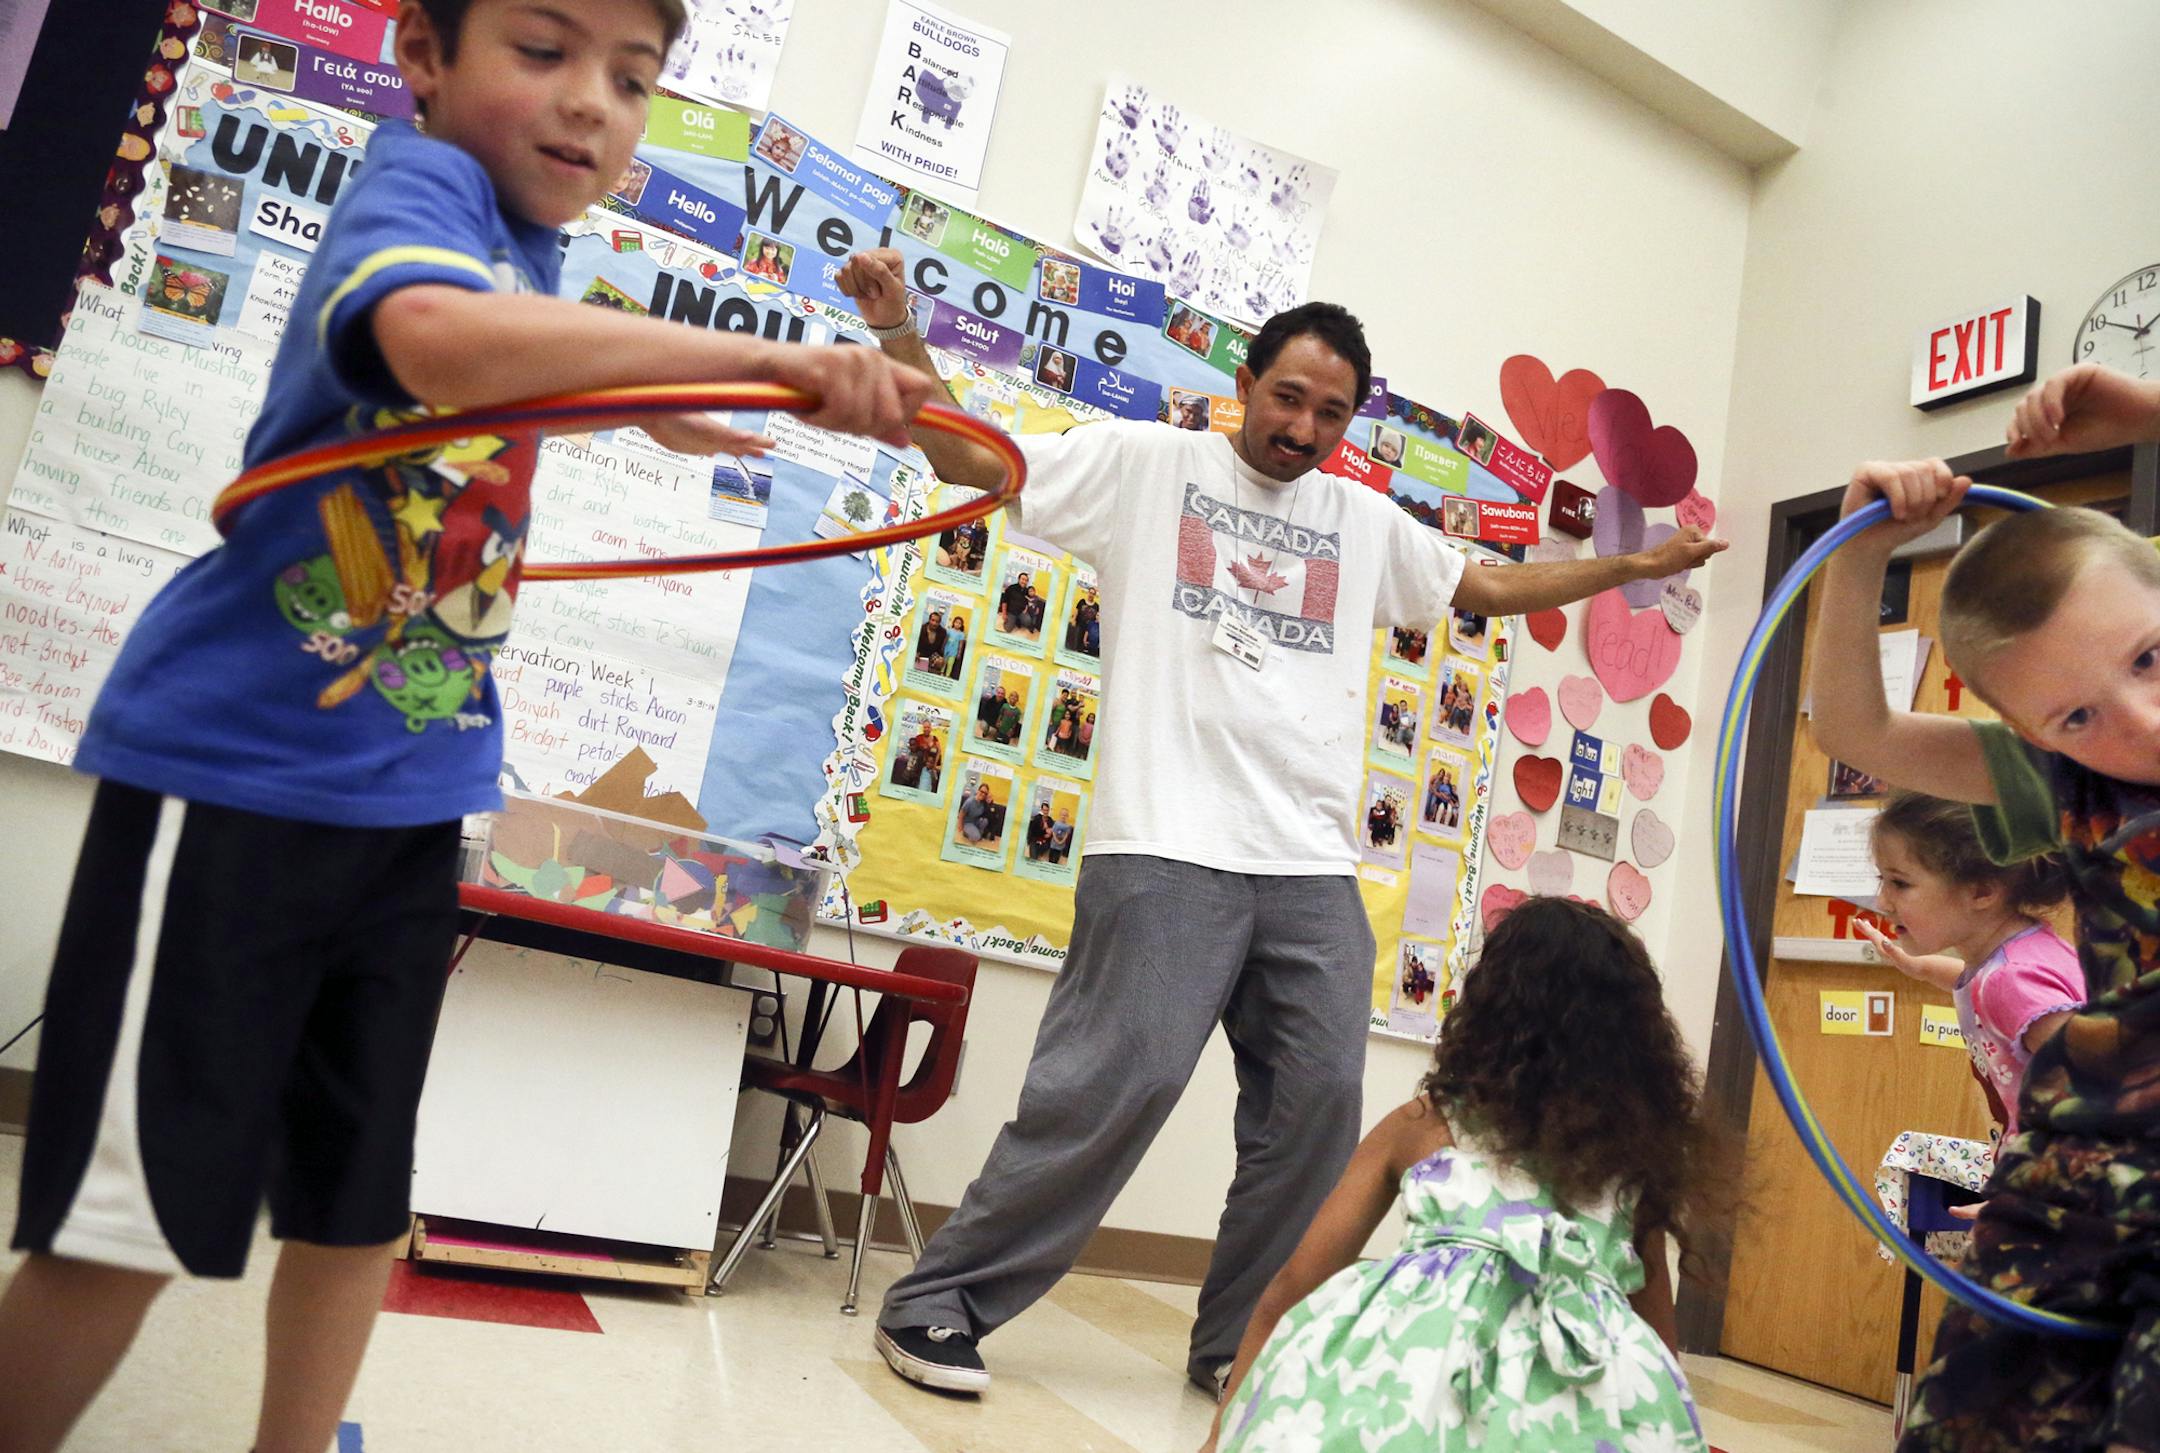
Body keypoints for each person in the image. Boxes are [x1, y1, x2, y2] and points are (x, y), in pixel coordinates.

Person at [0, 5, 932, 1449]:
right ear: (426, 60)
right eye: (545, 52)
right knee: (128, 1218)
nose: (592, 108)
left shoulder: (532, 253)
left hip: (406, 796)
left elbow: (495, 385)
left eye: (633, 80)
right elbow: (430, 345)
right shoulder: (419, 187)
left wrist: (648, 410)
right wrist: (763, 362)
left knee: (361, 1200)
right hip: (242, 777)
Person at [837, 245, 1725, 1398]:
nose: (1303, 429)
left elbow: (1486, 588)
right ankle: (938, 1303)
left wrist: (1636, 563)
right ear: (1246, 385)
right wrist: (901, 332)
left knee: (1315, 1115)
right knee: (1113, 1090)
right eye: (1288, 399)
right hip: (1163, 842)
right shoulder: (1146, 468)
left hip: (1309, 865)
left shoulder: (1363, 520)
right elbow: (972, 457)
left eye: (1331, 413)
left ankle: (1236, 1347)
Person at [1805, 362, 2160, 1453]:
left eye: (2153, 656)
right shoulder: (2061, 786)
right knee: (1973, 1423)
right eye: (2079, 714)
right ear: (2035, 735)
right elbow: (1857, 734)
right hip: (2089, 1173)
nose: (2141, 721)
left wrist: (2148, 417)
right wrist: (1861, 548)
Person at [1203, 899, 1717, 1452]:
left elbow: (1292, 1288)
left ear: (1489, 1010)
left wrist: (1224, 1428)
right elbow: (1660, 1347)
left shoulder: (1424, 1126)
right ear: (1635, 1044)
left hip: (1416, 1405)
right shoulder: (1627, 1166)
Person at [1856, 792, 2081, 1140]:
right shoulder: (2015, 955)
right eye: (1881, 880)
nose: (1882, 901)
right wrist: (1923, 968)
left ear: (1980, 891)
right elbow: (1980, 985)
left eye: (1900, 883)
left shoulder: (2011, 981)